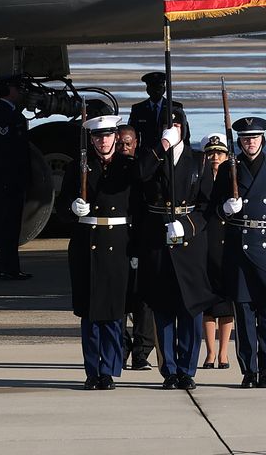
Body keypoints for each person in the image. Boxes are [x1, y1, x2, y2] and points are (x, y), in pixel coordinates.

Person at [134, 103, 218, 392]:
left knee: (191, 310)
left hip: (189, 241)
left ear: (185, 128)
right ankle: (168, 369)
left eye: (177, 126)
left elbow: (208, 205)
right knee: (163, 309)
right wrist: (162, 146)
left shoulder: (200, 161)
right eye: (167, 126)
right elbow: (140, 175)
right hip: (157, 239)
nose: (172, 130)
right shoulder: (152, 156)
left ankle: (187, 369)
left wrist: (188, 225)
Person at [214, 116, 266, 389]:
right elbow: (212, 208)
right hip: (239, 248)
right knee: (244, 311)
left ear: (263, 139)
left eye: (254, 137)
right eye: (245, 138)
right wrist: (226, 208)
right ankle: (249, 369)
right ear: (238, 141)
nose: (250, 142)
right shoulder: (229, 168)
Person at [60, 111, 137, 390]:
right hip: (87, 246)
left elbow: (138, 207)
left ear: (116, 137)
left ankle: (110, 369)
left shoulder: (129, 167)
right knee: (91, 315)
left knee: (114, 314)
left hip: (119, 244)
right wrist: (72, 207)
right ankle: (92, 371)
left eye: (107, 136)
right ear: (91, 140)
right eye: (97, 137)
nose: (103, 141)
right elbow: (60, 209)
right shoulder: (78, 167)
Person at [117, 122, 155, 371]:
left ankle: (142, 352)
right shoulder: (109, 168)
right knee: (118, 299)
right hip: (117, 240)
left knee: (145, 301)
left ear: (136, 143)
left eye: (127, 144)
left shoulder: (145, 170)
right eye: (119, 143)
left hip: (142, 239)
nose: (123, 148)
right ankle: (121, 348)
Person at [198, 134, 236, 370]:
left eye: (219, 153)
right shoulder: (199, 177)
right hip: (204, 241)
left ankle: (224, 352)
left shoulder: (232, 177)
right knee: (207, 301)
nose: (215, 158)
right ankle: (210, 352)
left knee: (225, 302)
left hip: (227, 243)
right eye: (211, 153)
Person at [0, 76, 33, 281]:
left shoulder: (14, 113)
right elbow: (6, 150)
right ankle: (6, 268)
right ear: (9, 90)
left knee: (13, 226)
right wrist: (11, 179)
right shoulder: (3, 114)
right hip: (8, 180)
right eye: (18, 88)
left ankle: (12, 267)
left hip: (15, 179)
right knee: (7, 225)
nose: (21, 92)